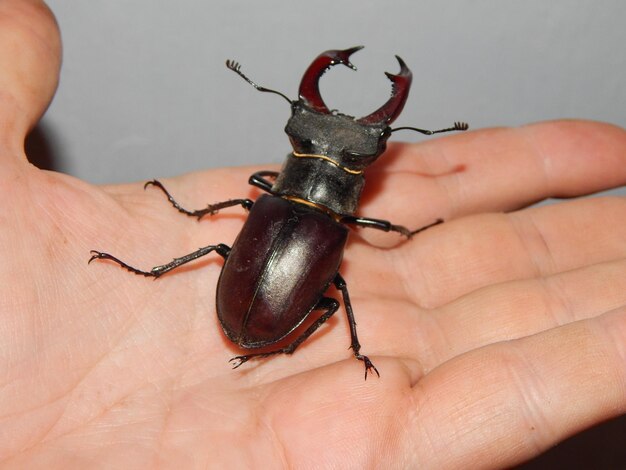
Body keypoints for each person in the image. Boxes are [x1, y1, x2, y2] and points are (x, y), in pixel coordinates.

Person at [1, 1, 625, 467]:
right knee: (336, 294)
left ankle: (267, 316)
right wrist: (398, 235)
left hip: (267, 309)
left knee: (239, 249)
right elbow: (341, 282)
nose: (331, 145)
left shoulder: (265, 198)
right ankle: (327, 344)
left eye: (352, 151)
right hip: (273, 311)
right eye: (314, 140)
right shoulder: (329, 220)